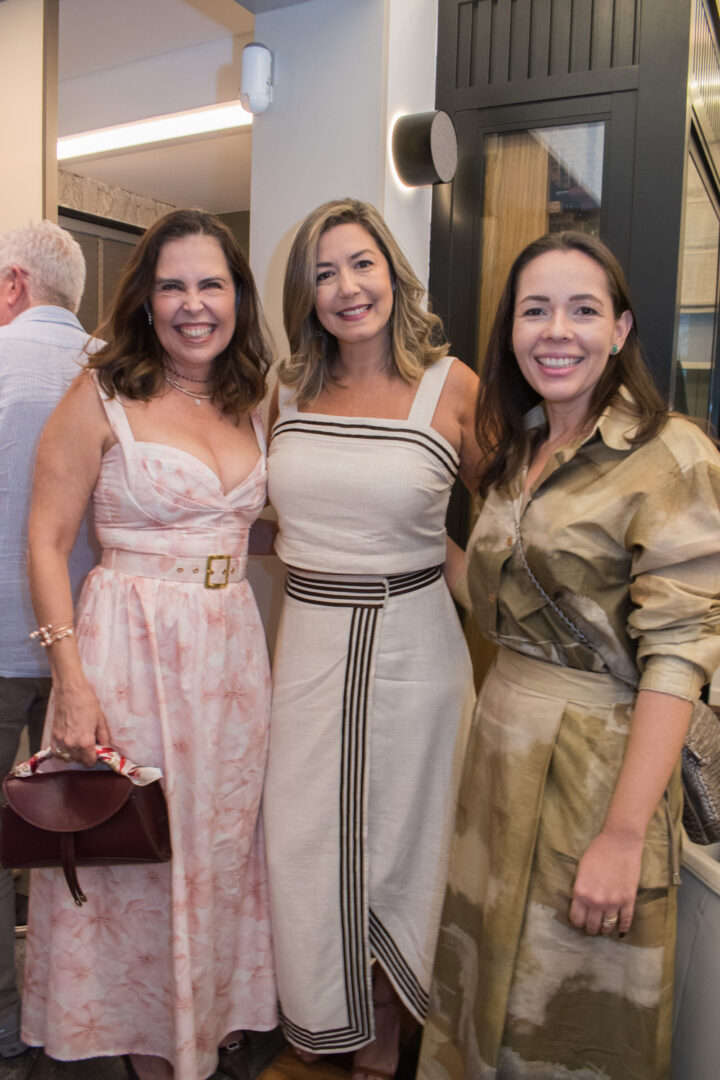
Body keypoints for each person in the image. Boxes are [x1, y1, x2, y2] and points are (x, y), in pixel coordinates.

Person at [418, 231, 720, 1080]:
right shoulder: (520, 451)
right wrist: (401, 539)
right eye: (535, 310)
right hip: (499, 754)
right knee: (483, 990)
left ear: (619, 330)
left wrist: (623, 836)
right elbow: (506, 608)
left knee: (564, 1010)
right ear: (511, 331)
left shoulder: (671, 454)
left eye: (583, 310)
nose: (557, 331)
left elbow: (678, 657)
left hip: (595, 770)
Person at [21, 209, 277, 1080]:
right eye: (173, 286)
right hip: (130, 650)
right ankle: (141, 1047)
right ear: (146, 298)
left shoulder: (256, 398)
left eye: (211, 285)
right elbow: (46, 539)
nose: (193, 304)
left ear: (237, 297)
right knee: (135, 850)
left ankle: (203, 1027)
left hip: (231, 656)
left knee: (220, 850)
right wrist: (69, 680)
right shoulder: (100, 393)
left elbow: (243, 522)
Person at [263, 198, 481, 1080]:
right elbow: (254, 512)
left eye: (362, 263)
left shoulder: (451, 386)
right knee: (305, 843)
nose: (347, 287)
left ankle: (385, 1039)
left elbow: (511, 521)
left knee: (403, 845)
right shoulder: (283, 391)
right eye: (324, 273)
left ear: (394, 271)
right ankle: (331, 1018)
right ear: (305, 294)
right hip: (309, 647)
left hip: (415, 651)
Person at [0, 220, 96, 1059]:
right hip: (93, 651)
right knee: (91, 832)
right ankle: (85, 1010)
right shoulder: (122, 370)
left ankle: (4, 1018)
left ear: (13, 283)